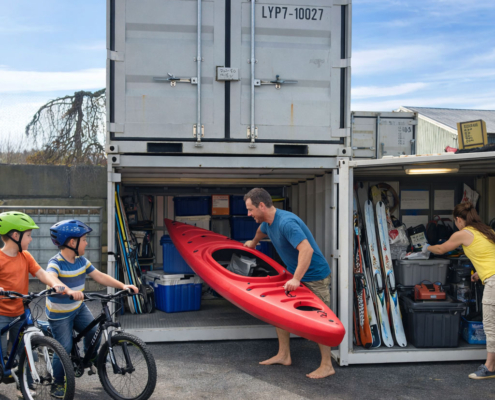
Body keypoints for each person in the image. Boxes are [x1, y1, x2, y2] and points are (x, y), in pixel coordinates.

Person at [243, 188, 334, 379]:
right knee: (280, 313)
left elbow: (306, 250)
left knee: (320, 319)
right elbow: (262, 230)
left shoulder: (286, 223)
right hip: (297, 274)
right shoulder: (268, 222)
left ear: (262, 206)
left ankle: (327, 365)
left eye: (251, 210)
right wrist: (253, 242)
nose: (248, 214)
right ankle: (284, 355)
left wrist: (296, 279)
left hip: (315, 276)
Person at [46, 219, 138, 398]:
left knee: (93, 331)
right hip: (60, 314)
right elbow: (51, 277)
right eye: (84, 239)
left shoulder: (82, 261)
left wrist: (123, 285)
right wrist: (67, 290)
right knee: (63, 347)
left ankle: (91, 356)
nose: (87, 242)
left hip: (77, 308)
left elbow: (99, 276)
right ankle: (57, 382)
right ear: (72, 242)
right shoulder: (56, 262)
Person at [424, 202, 495, 380]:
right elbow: (489, 255)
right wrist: (480, 273)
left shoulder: (463, 233)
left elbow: (441, 249)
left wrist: (425, 248)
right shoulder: (487, 231)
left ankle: (490, 367)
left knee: (490, 326)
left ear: (458, 219)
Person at [0, 211, 66, 398]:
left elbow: (42, 273)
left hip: (20, 311)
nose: (31, 239)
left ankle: (24, 386)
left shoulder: (26, 256)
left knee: (24, 350)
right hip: (1, 312)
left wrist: (55, 283)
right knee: (2, 352)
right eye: (28, 235)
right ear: (15, 235)